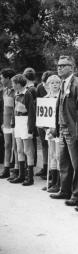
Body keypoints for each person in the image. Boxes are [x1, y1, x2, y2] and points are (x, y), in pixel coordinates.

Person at [49, 56, 78, 211]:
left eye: (62, 66)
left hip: (73, 131)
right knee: (64, 163)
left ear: (71, 67)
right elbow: (59, 108)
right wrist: (56, 127)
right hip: (62, 128)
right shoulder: (63, 84)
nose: (59, 68)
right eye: (58, 66)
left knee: (76, 164)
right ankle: (65, 191)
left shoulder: (76, 84)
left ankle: (76, 195)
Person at [10, 74, 36, 186]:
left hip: (25, 121)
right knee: (19, 149)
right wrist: (13, 124)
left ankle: (30, 177)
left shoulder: (27, 94)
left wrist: (30, 130)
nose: (12, 85)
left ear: (18, 84)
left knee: (27, 150)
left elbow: (31, 113)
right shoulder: (16, 94)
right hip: (18, 122)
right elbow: (14, 110)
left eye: (13, 83)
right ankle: (21, 175)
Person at [0, 68, 18, 179]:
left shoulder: (15, 91)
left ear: (8, 78)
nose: (1, 79)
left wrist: (13, 122)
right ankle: (6, 169)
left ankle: (16, 169)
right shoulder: (5, 90)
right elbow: (4, 108)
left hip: (13, 122)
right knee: (7, 145)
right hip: (6, 123)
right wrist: (3, 123)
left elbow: (15, 108)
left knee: (15, 147)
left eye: (2, 77)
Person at [35, 71, 54, 179]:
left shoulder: (56, 88)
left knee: (52, 146)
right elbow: (37, 103)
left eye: (46, 83)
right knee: (44, 144)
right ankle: (45, 166)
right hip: (42, 121)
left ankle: (52, 170)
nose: (44, 85)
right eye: (43, 83)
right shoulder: (39, 88)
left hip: (51, 122)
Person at [44, 75, 61, 193]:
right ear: (48, 85)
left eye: (57, 83)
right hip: (49, 130)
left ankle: (59, 183)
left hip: (59, 130)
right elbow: (43, 117)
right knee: (52, 155)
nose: (55, 85)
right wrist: (47, 130)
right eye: (52, 83)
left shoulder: (61, 97)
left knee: (59, 156)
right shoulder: (45, 98)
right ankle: (53, 181)